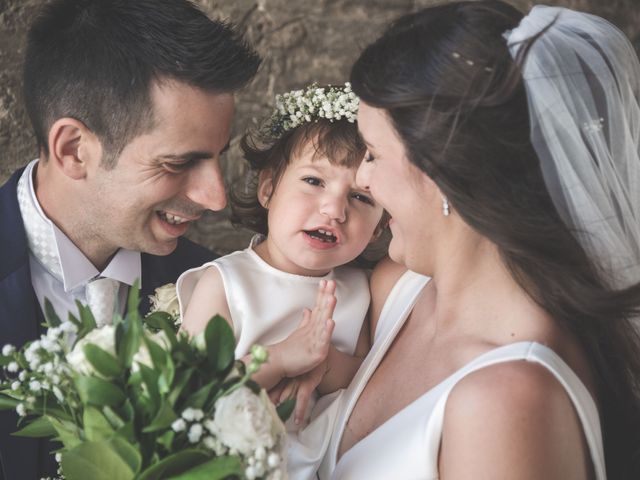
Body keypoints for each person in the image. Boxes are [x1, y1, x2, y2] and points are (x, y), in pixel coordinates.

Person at [318, 2, 640, 479]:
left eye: (373, 153)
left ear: (445, 173)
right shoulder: (396, 292)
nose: (361, 178)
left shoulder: (506, 404)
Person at [0, 0, 260, 477]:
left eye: (218, 157)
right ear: (75, 150)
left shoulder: (215, 289)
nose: (217, 197)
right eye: (179, 163)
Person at [176, 83, 385, 479]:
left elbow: (365, 378)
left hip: (331, 462)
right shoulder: (227, 283)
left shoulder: (360, 289)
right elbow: (192, 390)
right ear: (268, 188)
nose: (334, 209)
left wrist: (325, 361)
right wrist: (280, 359)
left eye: (361, 198)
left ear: (378, 229)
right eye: (314, 181)